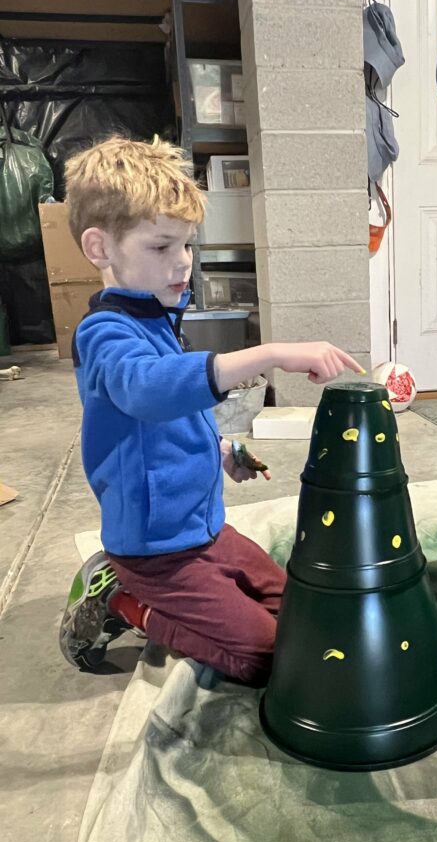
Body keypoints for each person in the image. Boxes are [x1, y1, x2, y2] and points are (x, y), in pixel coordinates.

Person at [58, 135, 362, 681]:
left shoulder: (156, 318)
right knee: (267, 657)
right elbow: (148, 390)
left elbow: (169, 416)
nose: (183, 264)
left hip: (207, 531)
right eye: (161, 247)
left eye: (187, 246)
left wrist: (218, 449)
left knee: (306, 610)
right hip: (155, 551)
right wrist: (269, 354)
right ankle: (123, 601)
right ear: (100, 248)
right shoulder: (104, 333)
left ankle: (170, 593)